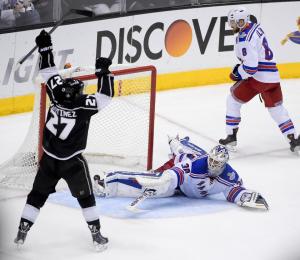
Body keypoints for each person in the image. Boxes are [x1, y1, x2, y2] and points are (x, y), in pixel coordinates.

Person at [14, 30, 114, 252]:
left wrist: (45, 47)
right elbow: (105, 96)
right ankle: (97, 236)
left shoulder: (57, 94)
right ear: (79, 92)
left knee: (37, 195)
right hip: (72, 163)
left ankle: (22, 232)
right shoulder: (83, 104)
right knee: (86, 198)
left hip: (49, 159)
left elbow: (48, 71)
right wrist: (103, 72)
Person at [93, 136, 269, 211]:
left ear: (224, 164)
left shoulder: (229, 175)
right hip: (178, 169)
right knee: (157, 177)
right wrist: (162, 180)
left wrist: (245, 196)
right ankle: (108, 181)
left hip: (189, 170)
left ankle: (179, 142)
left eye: (218, 163)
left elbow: (234, 190)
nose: (214, 164)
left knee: (189, 149)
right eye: (212, 160)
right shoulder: (194, 165)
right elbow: (174, 173)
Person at [219, 6, 300, 153]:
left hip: (259, 79)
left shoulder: (244, 39)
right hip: (273, 77)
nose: (231, 26)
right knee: (276, 109)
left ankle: (231, 137)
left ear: (242, 21)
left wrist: (237, 73)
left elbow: (251, 68)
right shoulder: (256, 27)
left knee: (232, 100)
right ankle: (294, 139)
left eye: (234, 23)